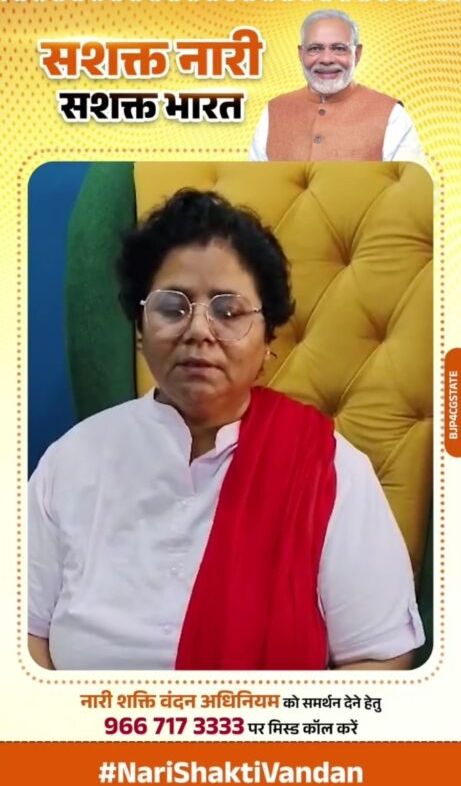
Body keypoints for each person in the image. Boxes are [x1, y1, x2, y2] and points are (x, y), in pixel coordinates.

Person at [28, 188, 424, 670]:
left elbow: (380, 659)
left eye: (228, 311)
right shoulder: (72, 461)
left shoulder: (329, 470)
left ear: (268, 339)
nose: (198, 330)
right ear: (140, 329)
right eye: (172, 307)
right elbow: (24, 639)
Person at [249, 9, 426, 164]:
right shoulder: (274, 111)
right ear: (301, 54)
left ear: (357, 54)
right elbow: (255, 186)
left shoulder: (392, 114)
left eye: (339, 48)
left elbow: (411, 188)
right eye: (315, 48)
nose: (326, 59)